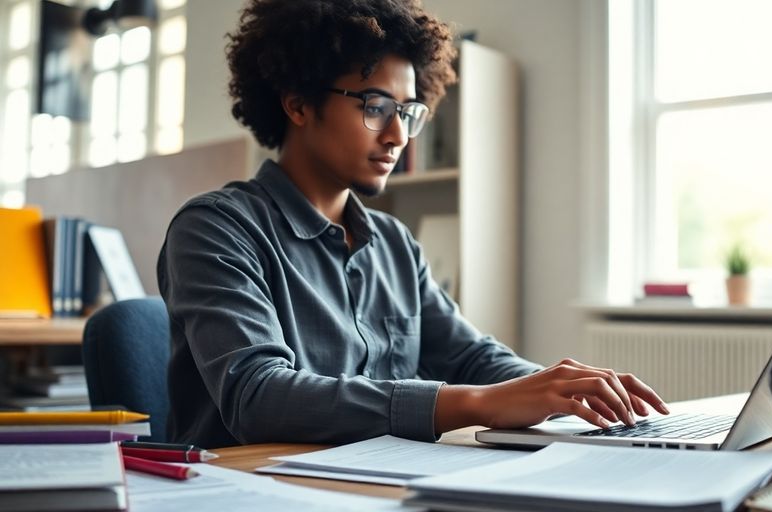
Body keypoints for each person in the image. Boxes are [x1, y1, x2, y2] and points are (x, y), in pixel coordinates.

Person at [158, 0, 669, 448]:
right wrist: (480, 403)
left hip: (374, 481)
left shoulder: (395, 245)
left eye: (408, 111)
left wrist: (559, 391)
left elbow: (470, 357)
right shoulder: (215, 228)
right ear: (297, 103)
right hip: (249, 485)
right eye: (376, 107)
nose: (399, 135)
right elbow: (258, 396)